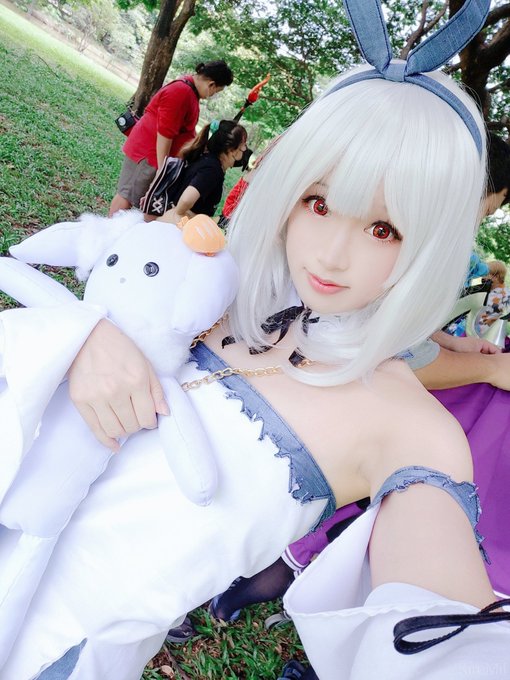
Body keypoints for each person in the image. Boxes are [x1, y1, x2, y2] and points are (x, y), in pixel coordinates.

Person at [0, 1, 508, 678]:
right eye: (320, 203)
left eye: (384, 229)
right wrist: (80, 338)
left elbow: (446, 632)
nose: (331, 254)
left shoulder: (414, 431)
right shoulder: (203, 278)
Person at [109, 60, 234, 216]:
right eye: (215, 92)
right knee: (127, 196)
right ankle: (109, 228)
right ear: (211, 84)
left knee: (134, 196)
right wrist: (163, 169)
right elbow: (165, 133)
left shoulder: (190, 91)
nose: (212, 96)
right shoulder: (181, 91)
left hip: (155, 154)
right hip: (148, 152)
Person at [156, 119, 248, 223]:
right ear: (231, 150)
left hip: (170, 219)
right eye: (243, 147)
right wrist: (206, 220)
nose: (245, 151)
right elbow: (185, 200)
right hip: (174, 225)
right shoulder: (212, 170)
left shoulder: (208, 159)